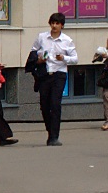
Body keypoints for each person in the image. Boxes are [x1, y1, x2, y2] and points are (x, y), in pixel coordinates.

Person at [31, 12, 78, 146]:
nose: (54, 26)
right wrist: (38, 60)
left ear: (62, 25)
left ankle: (54, 136)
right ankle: (50, 131)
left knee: (55, 104)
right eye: (52, 23)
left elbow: (75, 59)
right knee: (44, 105)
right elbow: (33, 51)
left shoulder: (67, 41)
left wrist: (64, 58)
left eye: (57, 23)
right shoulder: (42, 37)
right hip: (45, 73)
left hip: (59, 74)